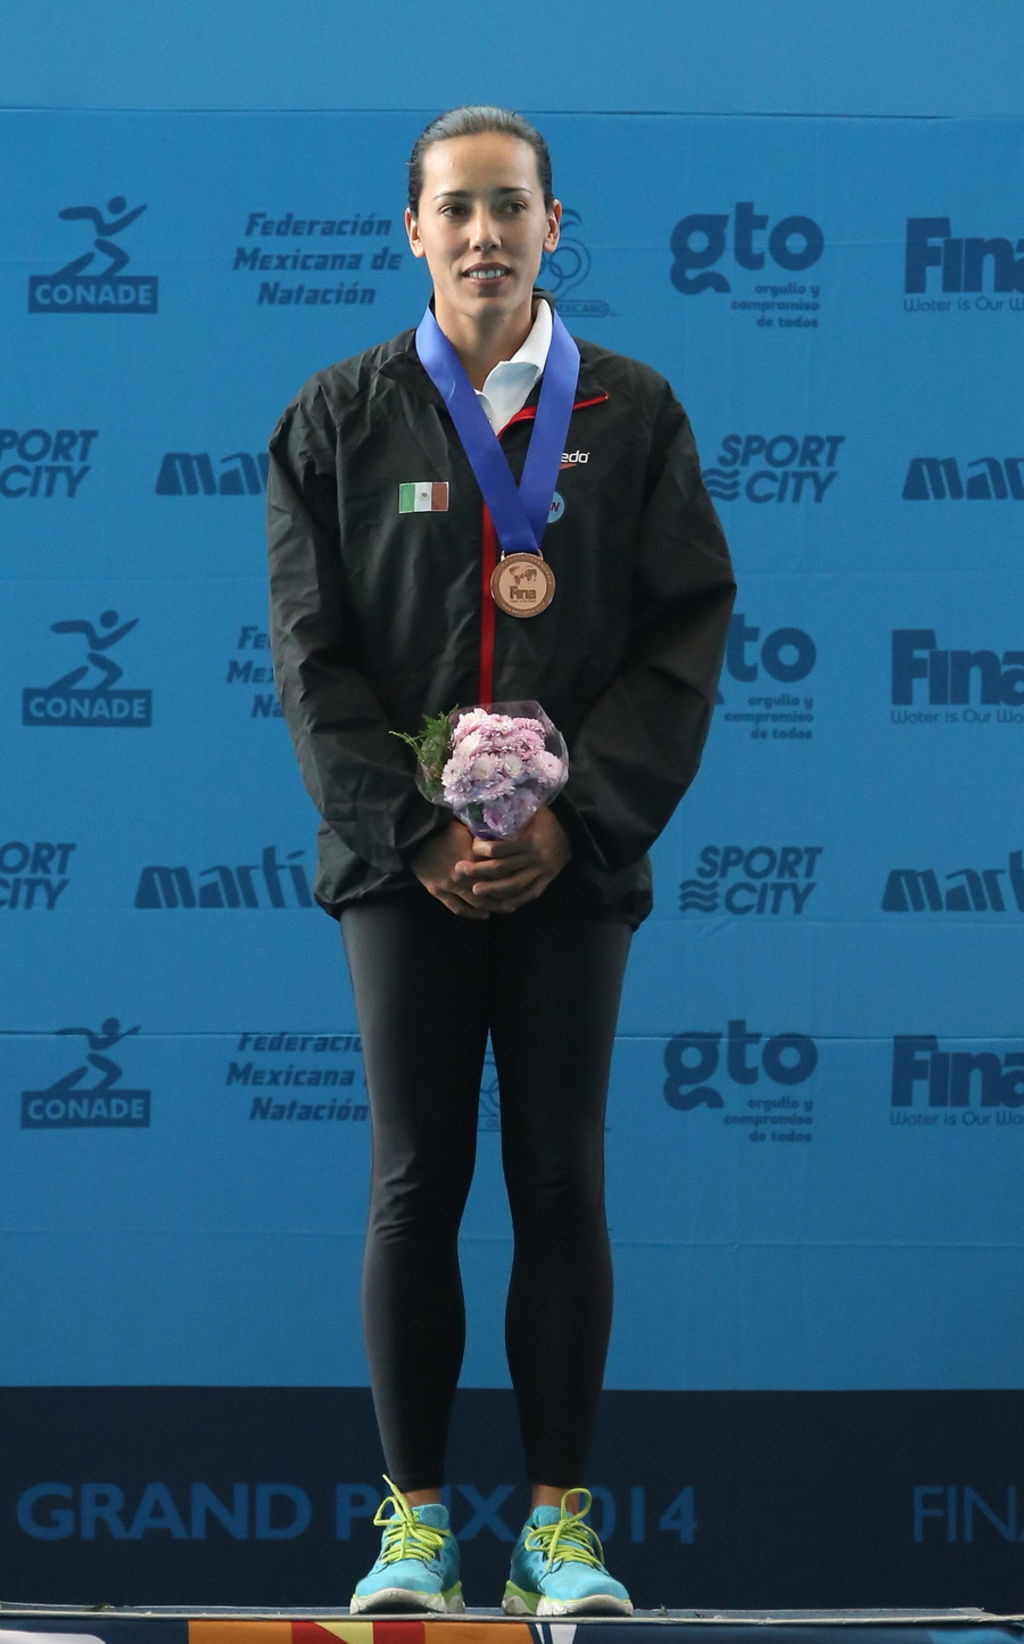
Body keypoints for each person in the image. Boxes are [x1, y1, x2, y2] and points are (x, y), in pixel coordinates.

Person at [267, 104, 735, 1617]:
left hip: (569, 865)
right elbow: (312, 663)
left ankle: (556, 1529)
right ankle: (413, 1526)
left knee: (558, 1174)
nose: (484, 234)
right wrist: (415, 830)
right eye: (457, 209)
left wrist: (567, 819)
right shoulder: (337, 419)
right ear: (413, 230)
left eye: (510, 207)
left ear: (552, 227)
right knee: (417, 1176)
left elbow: (681, 637)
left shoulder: (634, 414)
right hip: (400, 870)